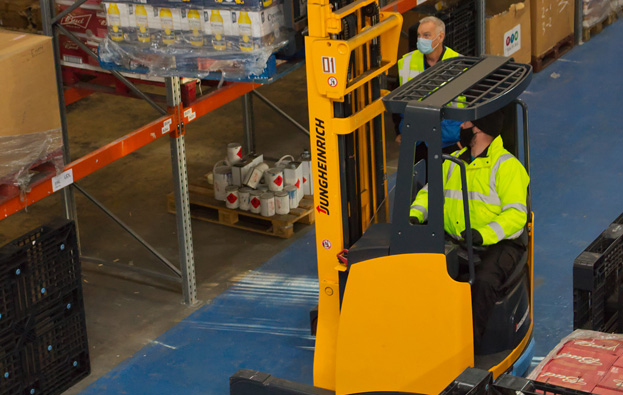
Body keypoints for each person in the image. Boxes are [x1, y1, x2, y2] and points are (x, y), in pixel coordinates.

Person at [408, 110, 530, 348]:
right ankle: (428, 339)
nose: (461, 127)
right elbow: (429, 193)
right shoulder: (453, 161)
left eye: (466, 122)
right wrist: (414, 215)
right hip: (458, 240)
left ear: (480, 129)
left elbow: (516, 215)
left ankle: (467, 350)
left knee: (484, 282)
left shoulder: (506, 167)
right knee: (420, 269)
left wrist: (484, 234)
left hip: (499, 243)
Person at [395, 15, 463, 158]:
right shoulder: (406, 63)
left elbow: (471, 101)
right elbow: (396, 100)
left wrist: (466, 137)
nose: (421, 40)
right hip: (416, 138)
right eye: (419, 35)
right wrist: (398, 131)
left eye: (426, 35)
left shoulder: (459, 63)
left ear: (440, 37)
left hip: (448, 139)